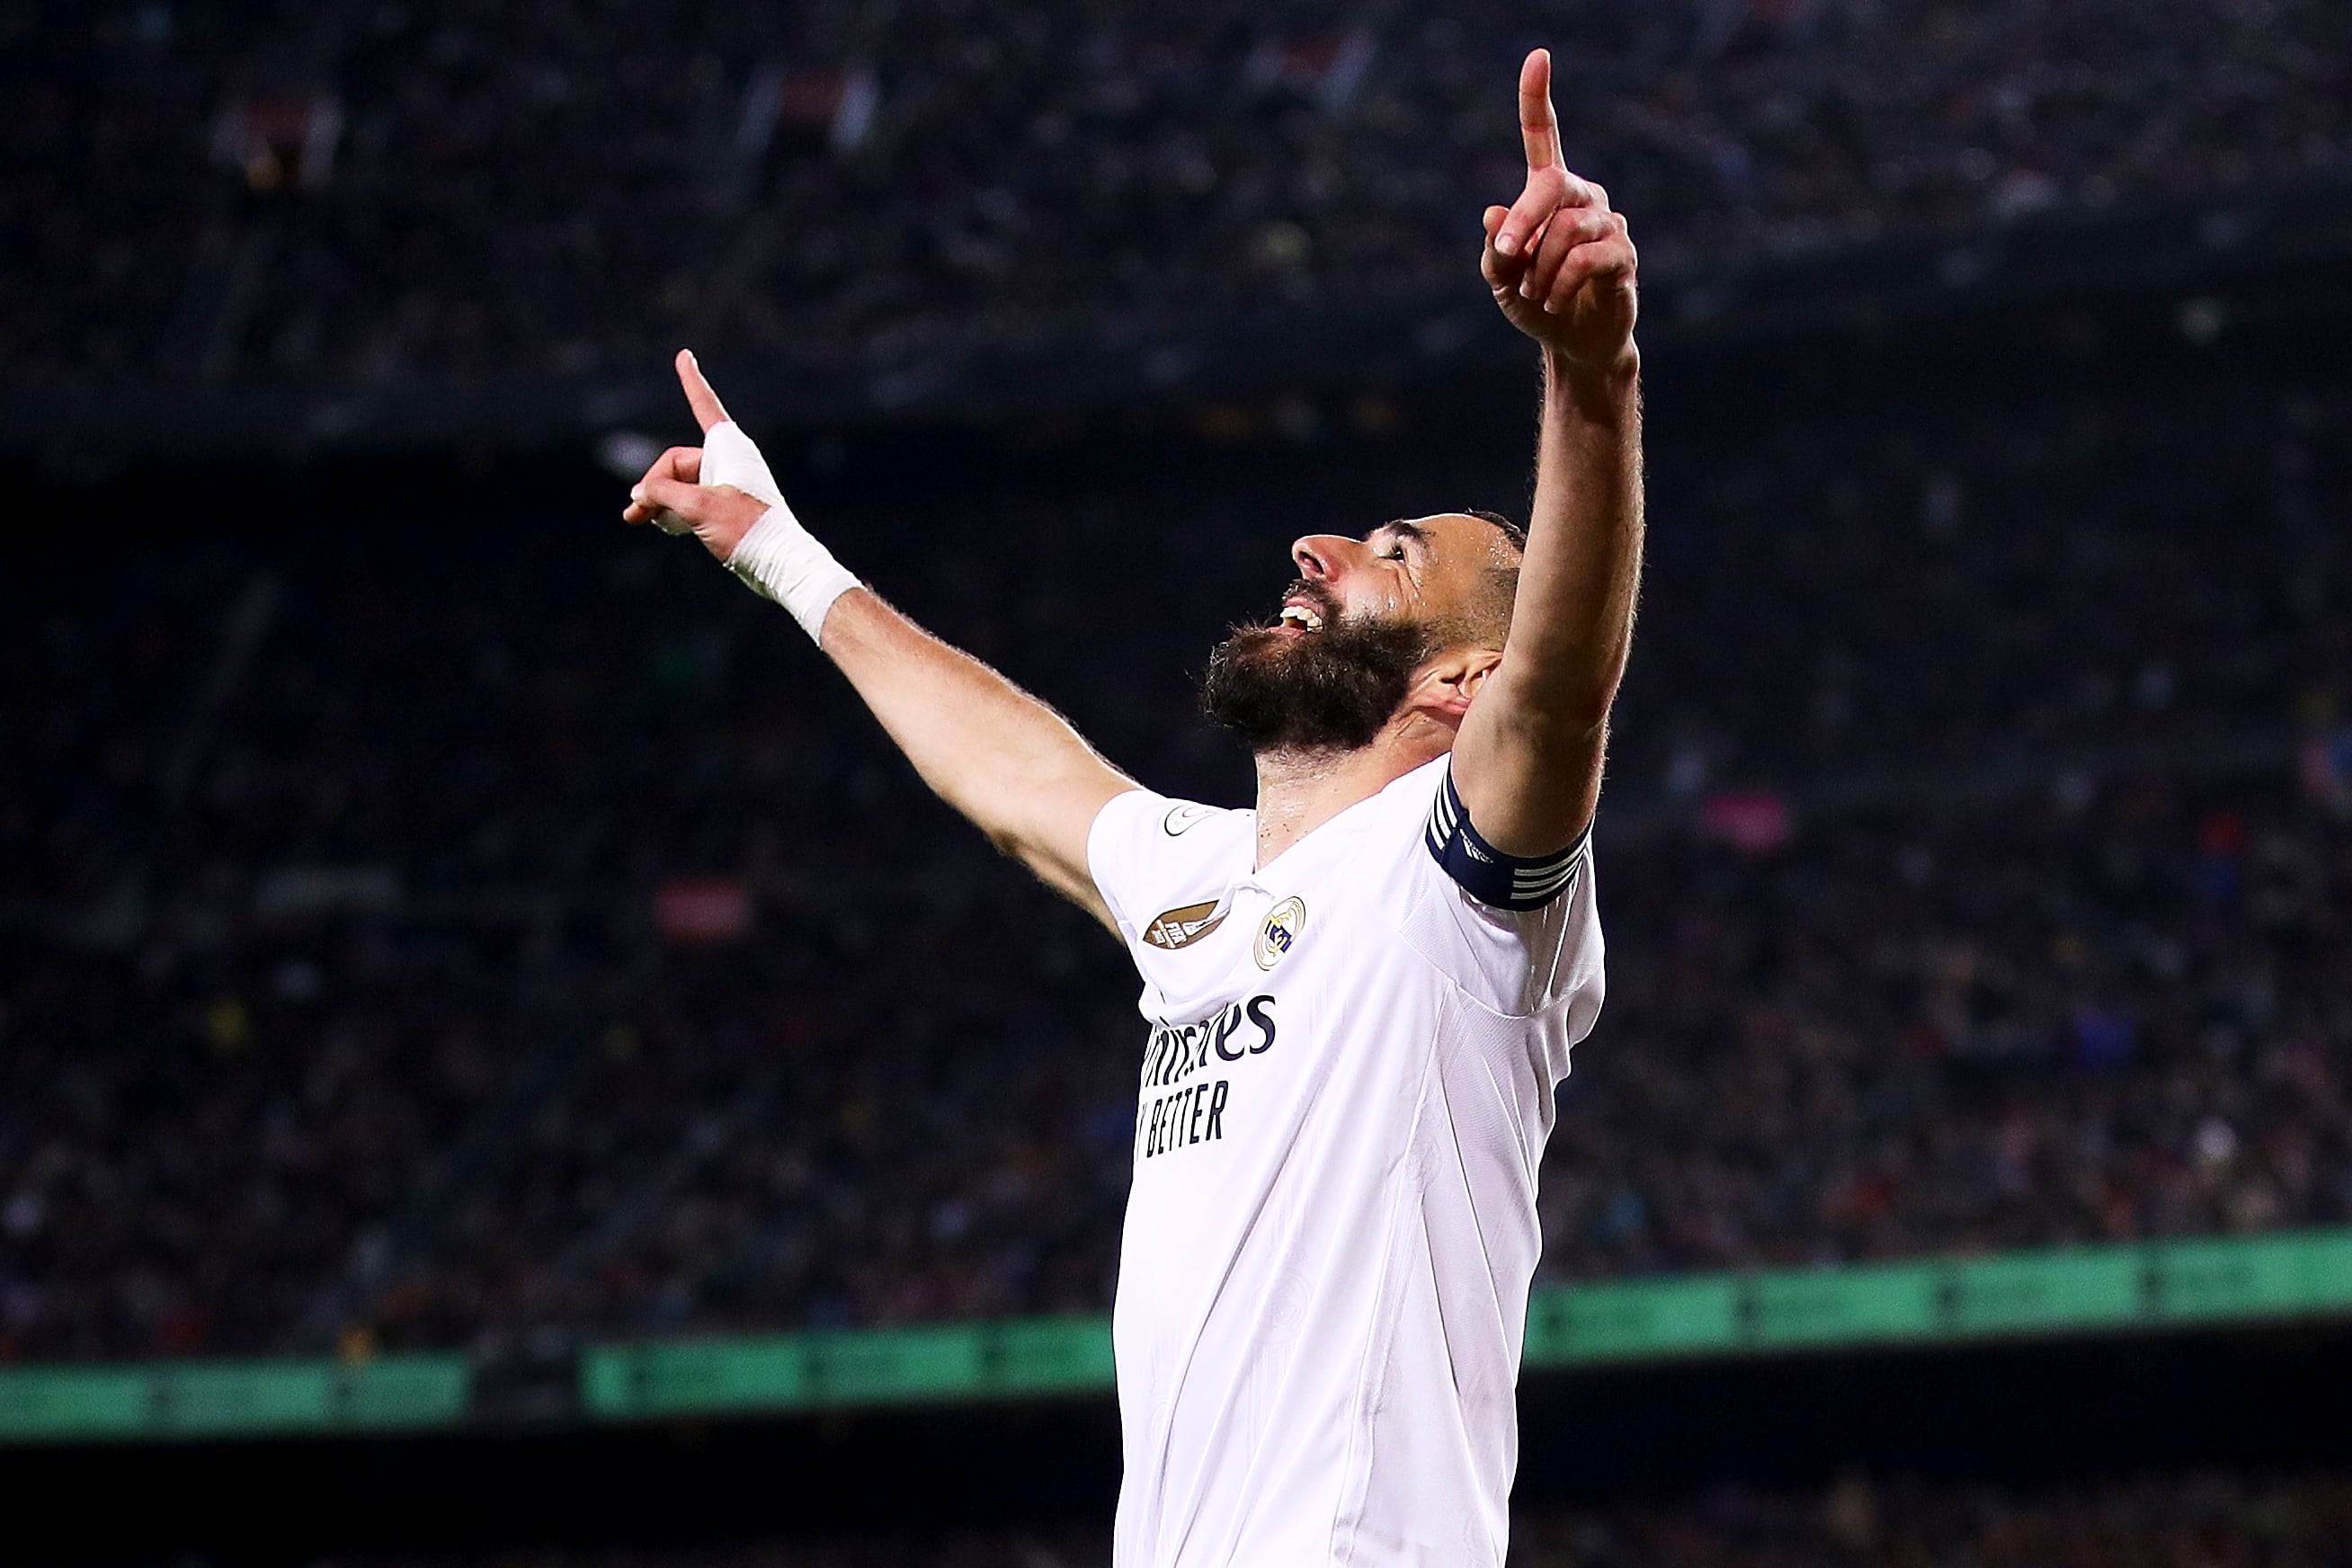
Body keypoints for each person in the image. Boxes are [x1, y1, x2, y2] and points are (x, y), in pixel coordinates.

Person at [619, 47, 1641, 1568]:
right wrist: (779, 551)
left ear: (1460, 680)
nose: (1312, 549)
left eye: (1389, 557)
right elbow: (1023, 778)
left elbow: (1560, 691)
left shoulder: (1459, 881)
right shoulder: (1203, 884)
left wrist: (1591, 370)